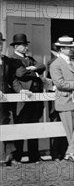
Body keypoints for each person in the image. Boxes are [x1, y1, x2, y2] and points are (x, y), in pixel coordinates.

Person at [49, 36, 74, 163]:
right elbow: (59, 83)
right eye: (68, 47)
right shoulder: (55, 64)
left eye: (72, 47)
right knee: (70, 130)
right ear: (61, 49)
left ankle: (70, 152)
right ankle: (72, 154)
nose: (71, 49)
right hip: (65, 100)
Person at [10, 33, 44, 163]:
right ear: (16, 47)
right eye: (23, 45)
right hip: (23, 98)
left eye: (25, 45)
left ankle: (33, 156)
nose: (26, 47)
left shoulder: (29, 58)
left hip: (35, 98)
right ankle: (17, 156)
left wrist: (33, 68)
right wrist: (35, 73)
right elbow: (20, 73)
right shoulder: (13, 59)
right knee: (21, 127)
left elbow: (42, 66)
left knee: (34, 126)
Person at [0, 32, 17, 166]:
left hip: (6, 99)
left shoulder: (6, 61)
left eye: (0, 43)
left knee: (6, 125)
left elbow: (12, 79)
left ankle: (9, 157)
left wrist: (20, 90)